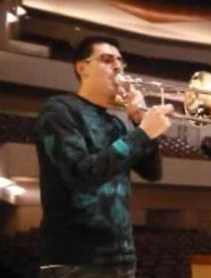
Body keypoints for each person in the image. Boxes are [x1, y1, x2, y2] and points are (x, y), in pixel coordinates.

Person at [35, 36, 173, 277]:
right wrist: (142, 133)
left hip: (121, 258)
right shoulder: (59, 110)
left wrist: (139, 121)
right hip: (74, 259)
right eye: (107, 60)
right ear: (82, 68)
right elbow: (82, 174)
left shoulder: (115, 125)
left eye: (120, 62)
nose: (118, 67)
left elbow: (153, 173)